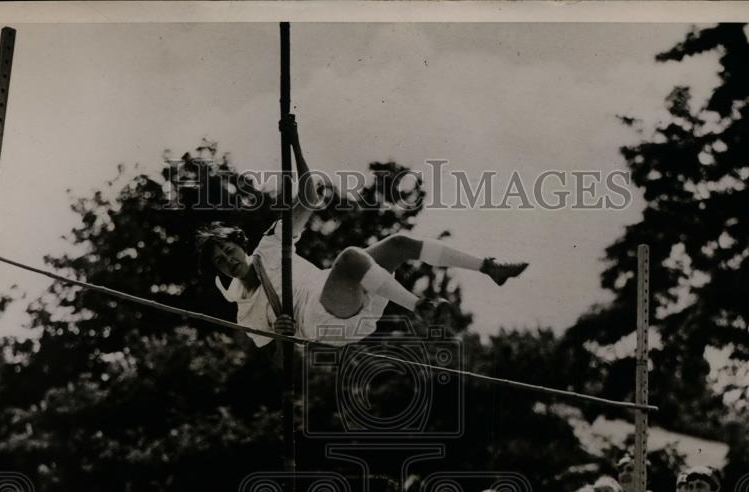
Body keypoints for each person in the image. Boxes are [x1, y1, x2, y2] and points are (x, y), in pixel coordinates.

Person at [198, 115, 529, 349]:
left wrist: (294, 144)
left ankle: (489, 267)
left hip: (339, 295)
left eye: (228, 250)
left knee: (398, 244)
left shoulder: (270, 246)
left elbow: (311, 196)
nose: (228, 261)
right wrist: (282, 336)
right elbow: (270, 359)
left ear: (242, 244)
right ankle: (421, 306)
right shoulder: (243, 309)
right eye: (220, 262)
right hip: (321, 322)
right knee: (350, 259)